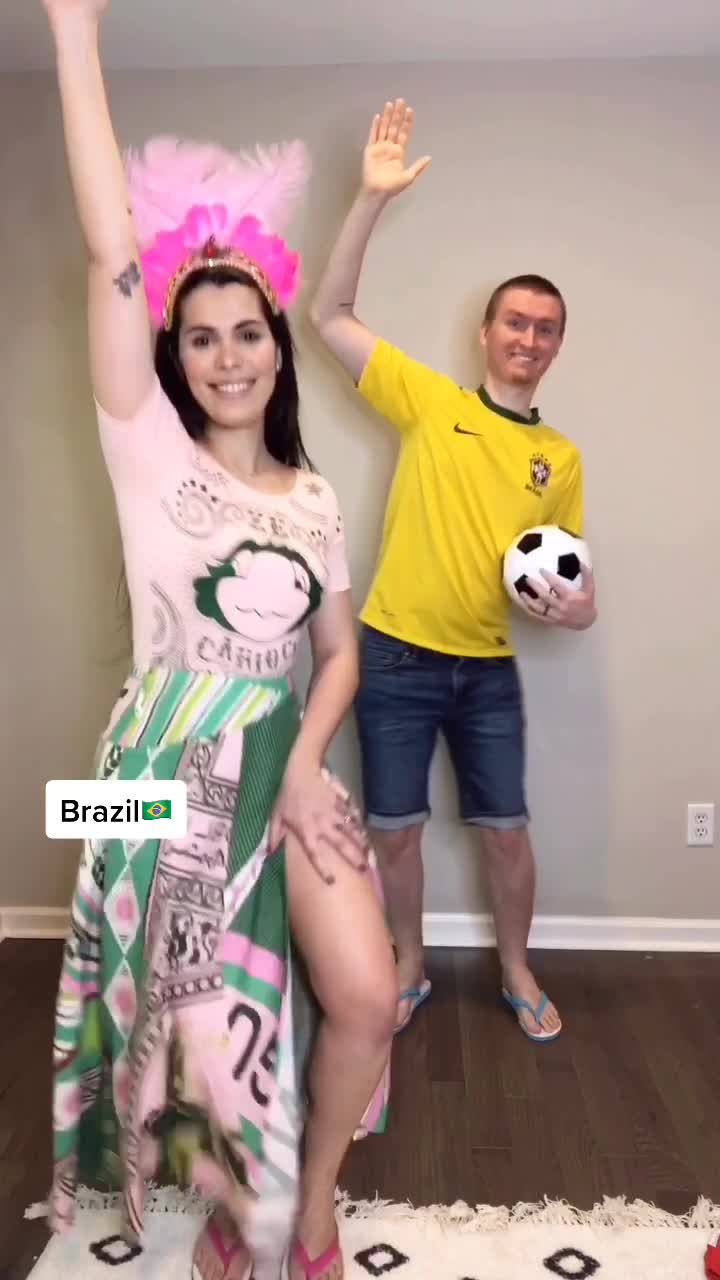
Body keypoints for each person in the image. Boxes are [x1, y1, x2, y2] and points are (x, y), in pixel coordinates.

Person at [41, 4, 396, 1279]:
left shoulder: (313, 498)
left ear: (276, 347)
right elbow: (108, 251)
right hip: (154, 767)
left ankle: (310, 1202)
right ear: (174, 354)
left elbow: (340, 653)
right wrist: (72, 31)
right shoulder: (146, 451)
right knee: (191, 1029)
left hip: (279, 761)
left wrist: (303, 767)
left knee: (364, 991)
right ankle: (244, 1216)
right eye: (200, 335)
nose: (227, 355)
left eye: (248, 331)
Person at [310, 98, 597, 1046]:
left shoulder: (560, 457)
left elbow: (571, 585)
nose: (528, 337)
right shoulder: (432, 404)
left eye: (545, 327)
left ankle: (516, 970)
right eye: (515, 321)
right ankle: (410, 966)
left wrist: (577, 609)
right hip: (393, 658)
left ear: (556, 345)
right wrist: (370, 198)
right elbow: (327, 314)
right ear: (486, 332)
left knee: (507, 832)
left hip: (488, 671)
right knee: (393, 830)